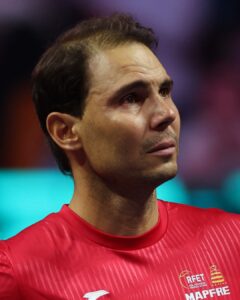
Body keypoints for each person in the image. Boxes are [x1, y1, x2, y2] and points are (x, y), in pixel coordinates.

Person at [0, 14, 239, 300]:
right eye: (132, 98)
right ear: (65, 131)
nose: (167, 114)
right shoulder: (15, 273)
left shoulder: (231, 241)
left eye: (164, 91)